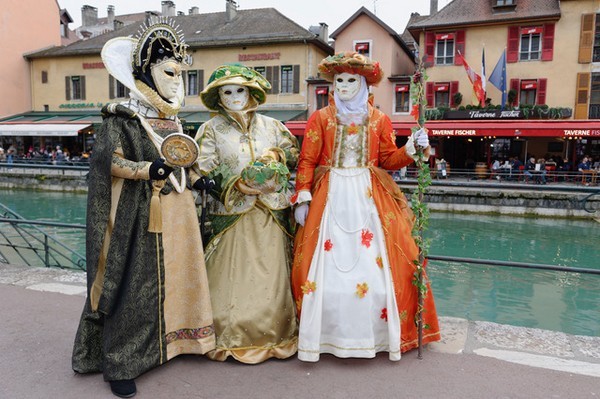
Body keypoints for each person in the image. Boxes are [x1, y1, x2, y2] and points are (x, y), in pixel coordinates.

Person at [72, 19, 215, 398]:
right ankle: (123, 358)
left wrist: (199, 180)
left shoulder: (174, 119)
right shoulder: (122, 118)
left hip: (180, 214)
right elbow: (107, 163)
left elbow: (183, 160)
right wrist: (145, 170)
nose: (176, 82)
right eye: (168, 72)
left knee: (182, 274)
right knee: (137, 283)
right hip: (143, 217)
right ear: (145, 73)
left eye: (181, 74)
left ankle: (180, 340)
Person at [291, 52, 440, 362]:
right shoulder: (320, 118)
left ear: (363, 85)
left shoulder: (379, 119)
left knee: (395, 259)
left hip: (369, 196)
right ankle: (326, 336)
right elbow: (307, 159)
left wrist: (412, 147)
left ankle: (380, 334)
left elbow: (388, 160)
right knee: (320, 266)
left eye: (350, 81)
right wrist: (302, 194)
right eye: (339, 81)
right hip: (329, 196)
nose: (344, 86)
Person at [194, 63, 299, 363]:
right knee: (229, 279)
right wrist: (236, 184)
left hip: (271, 213)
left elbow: (292, 152)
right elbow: (204, 167)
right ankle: (228, 337)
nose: (234, 97)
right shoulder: (210, 129)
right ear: (218, 97)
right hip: (231, 215)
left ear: (251, 92)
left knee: (271, 276)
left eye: (240, 90)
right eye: (227, 92)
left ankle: (276, 336)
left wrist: (277, 156)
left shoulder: (273, 126)